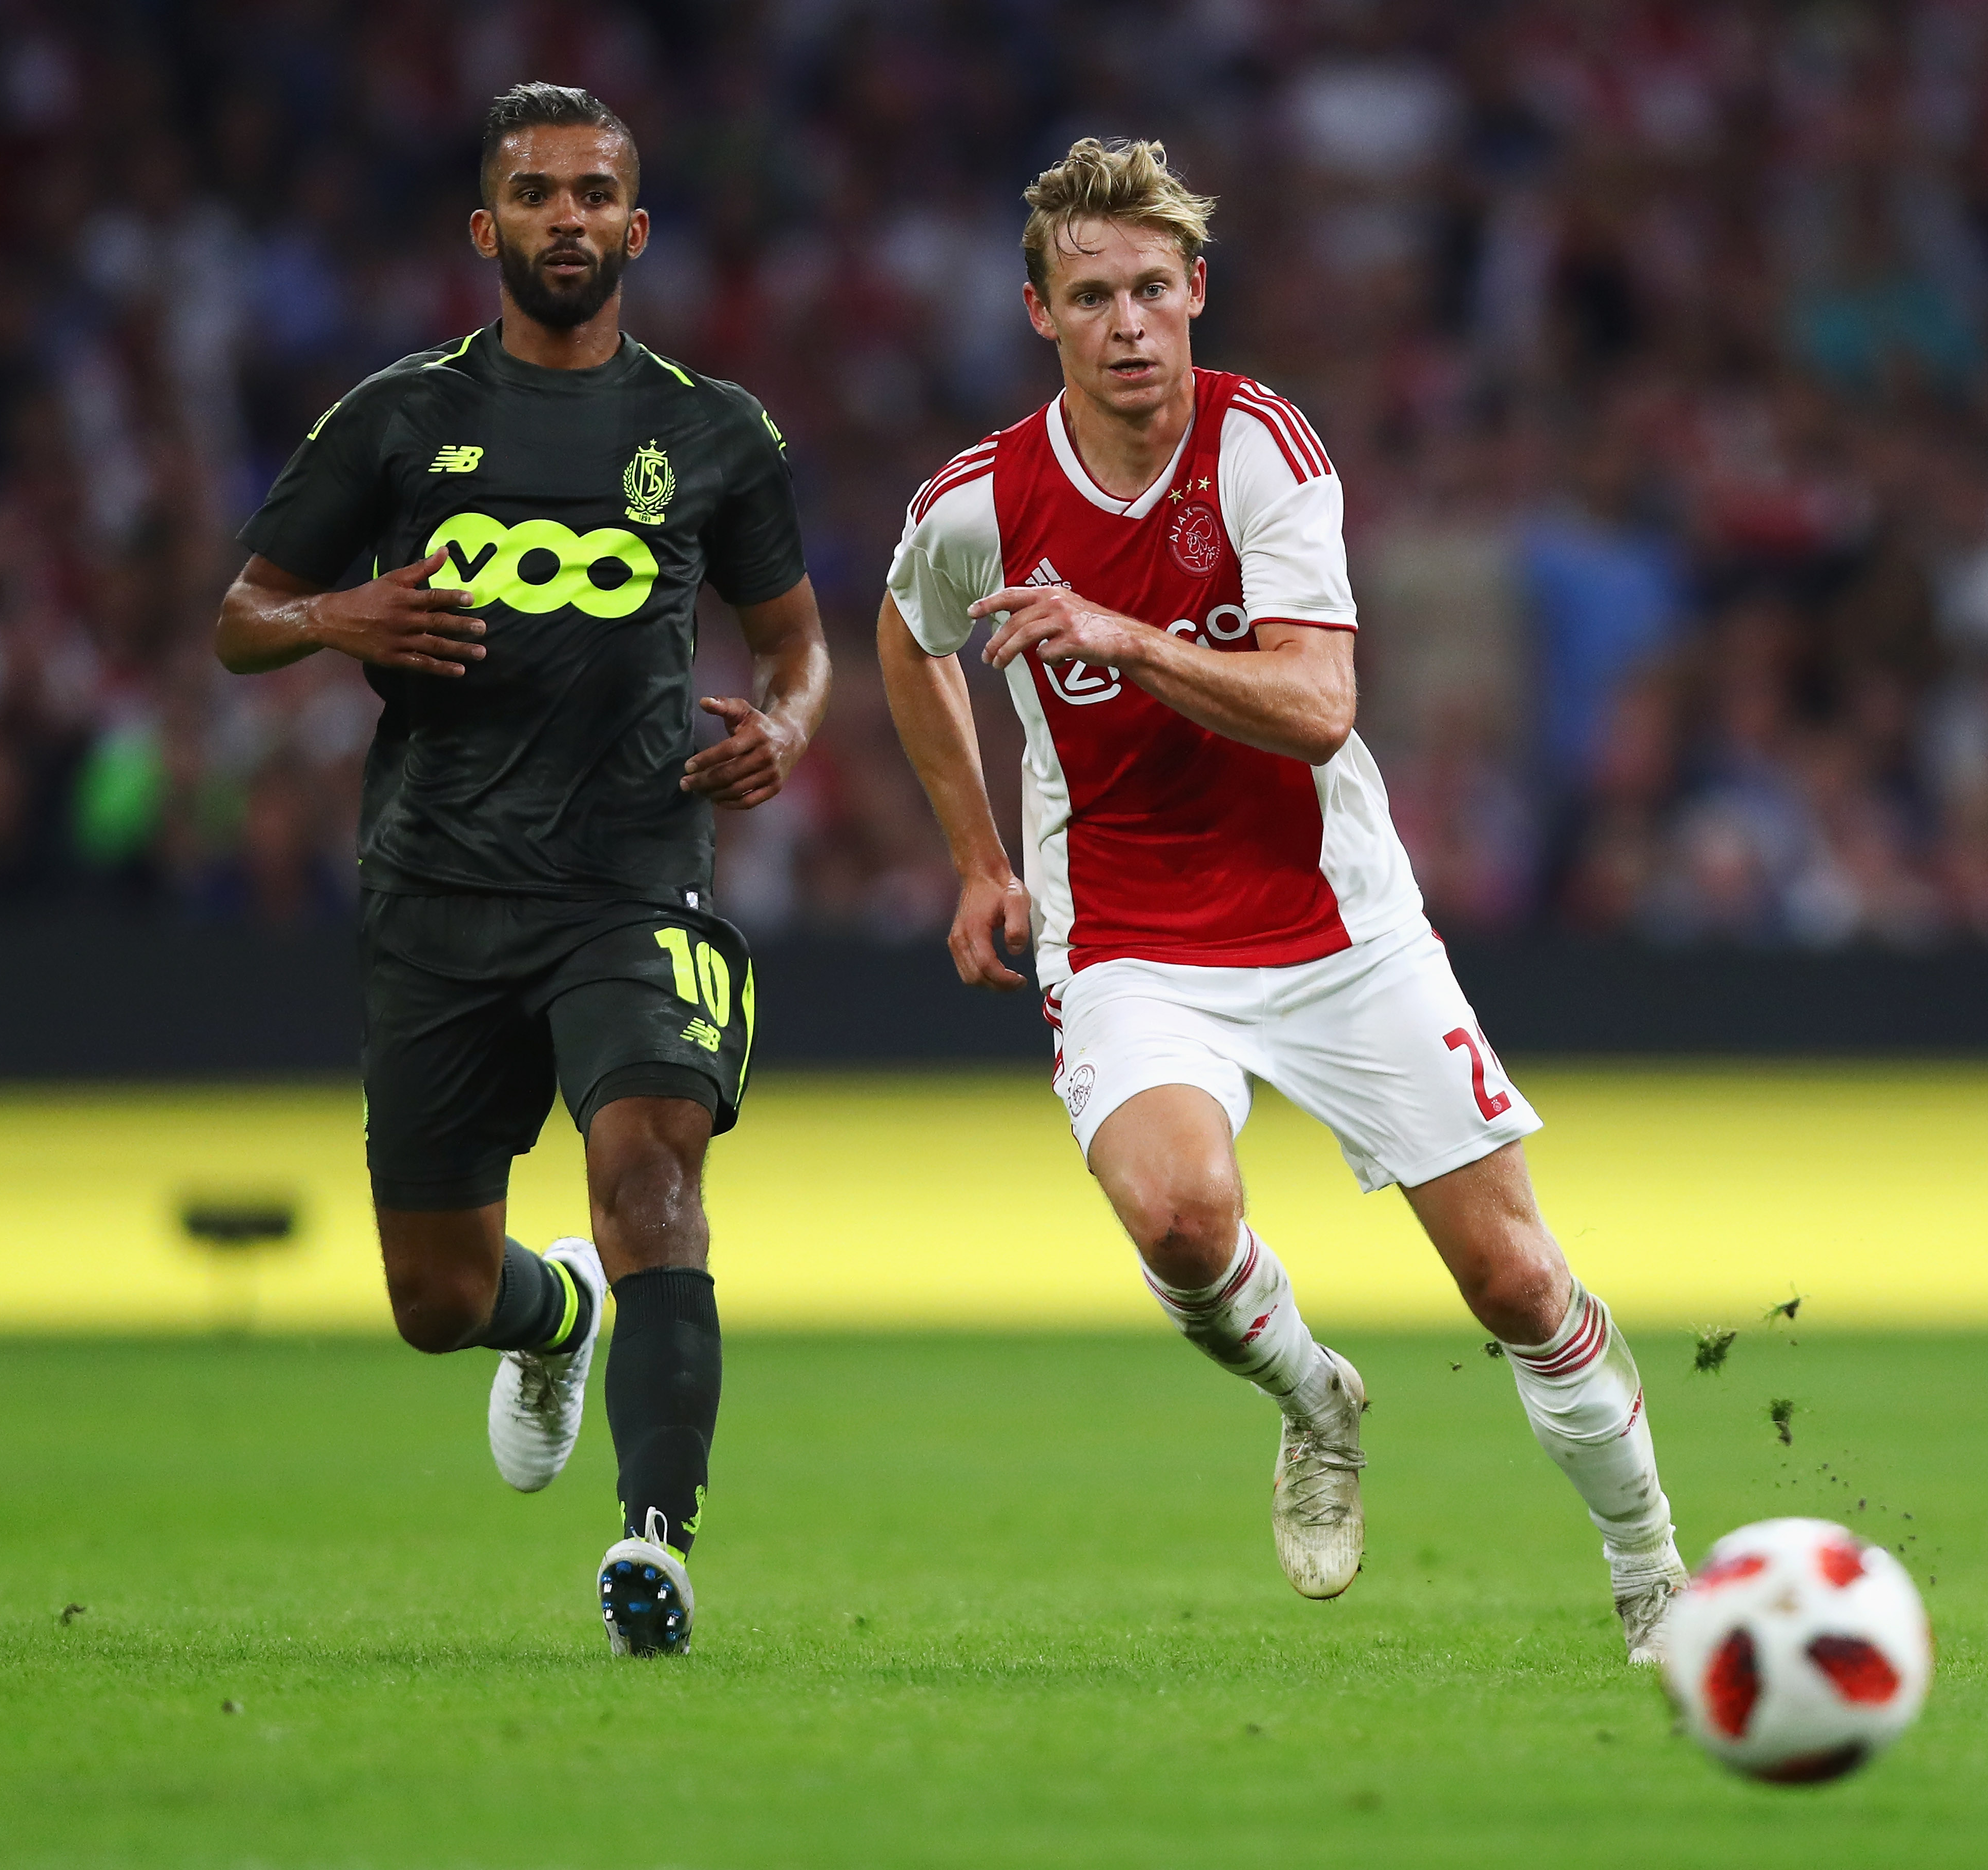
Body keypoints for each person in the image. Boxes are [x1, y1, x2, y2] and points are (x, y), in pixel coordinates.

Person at [875, 138, 1689, 1658]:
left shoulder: (1264, 450)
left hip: (1330, 916)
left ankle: (1652, 1571)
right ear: (1039, 312)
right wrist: (980, 857)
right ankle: (1315, 1396)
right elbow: (906, 633)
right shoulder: (982, 500)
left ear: (1197, 292)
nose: (1128, 322)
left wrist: (1123, 634)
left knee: (1514, 1274)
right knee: (1181, 1221)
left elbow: (1318, 705)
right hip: (1124, 929)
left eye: (1151, 289)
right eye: (1091, 295)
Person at [213, 83, 827, 1657]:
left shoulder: (714, 431)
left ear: (638, 224)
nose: (569, 217)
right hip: (436, 885)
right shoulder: (396, 418)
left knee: (654, 1179)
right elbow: (241, 616)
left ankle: (655, 1546)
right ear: (487, 231)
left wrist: (792, 731)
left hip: (631, 874)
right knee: (433, 1297)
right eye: (538, 195)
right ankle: (551, 1316)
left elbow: (796, 643)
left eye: (595, 192)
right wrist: (336, 616)